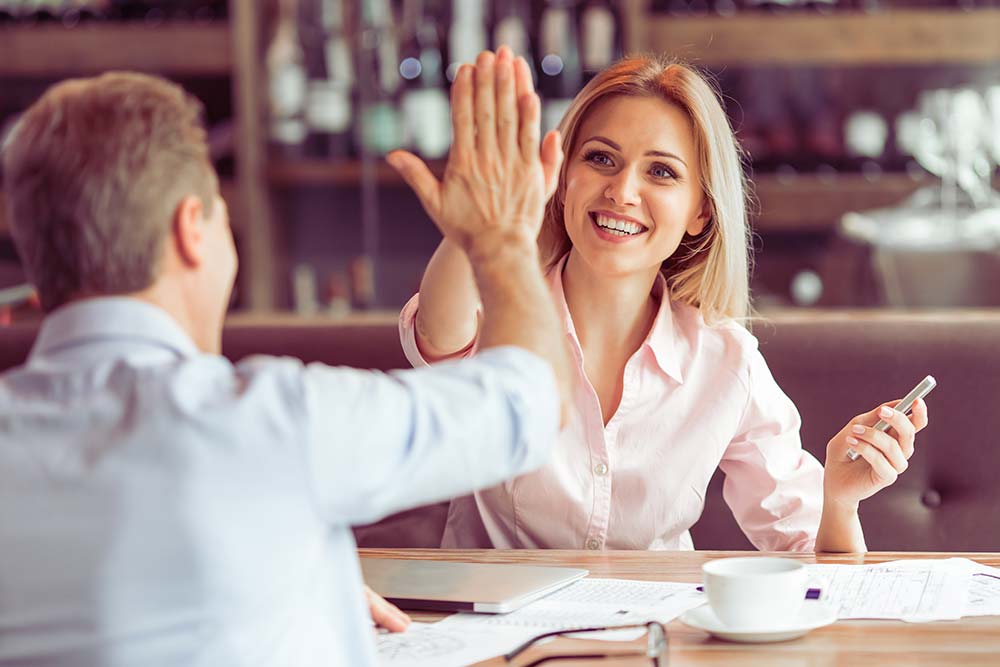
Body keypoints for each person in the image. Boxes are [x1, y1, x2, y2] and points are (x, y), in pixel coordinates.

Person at [0, 52, 568, 667]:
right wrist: (502, 240)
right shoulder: (274, 421)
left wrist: (283, 576)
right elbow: (528, 402)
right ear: (193, 229)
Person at [391, 54, 928, 553]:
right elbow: (440, 336)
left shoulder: (725, 361)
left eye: (661, 171)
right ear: (562, 179)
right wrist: (470, 234)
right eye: (601, 158)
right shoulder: (495, 308)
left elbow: (806, 553)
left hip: (653, 638)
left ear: (700, 212)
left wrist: (839, 499)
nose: (622, 191)